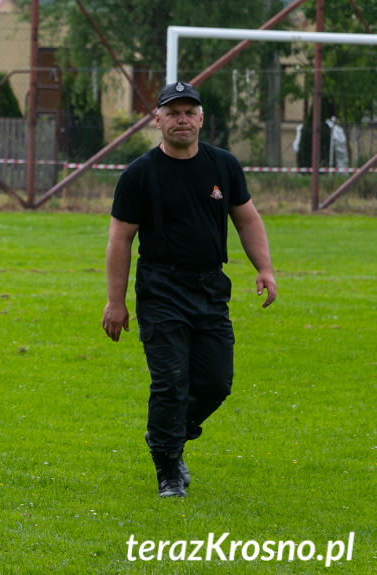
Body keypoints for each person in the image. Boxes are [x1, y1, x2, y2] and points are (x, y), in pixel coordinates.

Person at [101, 81, 277, 497]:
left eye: (189, 112)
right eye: (173, 112)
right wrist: (115, 301)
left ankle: (171, 435)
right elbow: (119, 239)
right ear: (157, 119)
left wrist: (265, 268)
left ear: (201, 118)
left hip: (211, 287)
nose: (182, 119)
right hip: (161, 288)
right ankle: (168, 470)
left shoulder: (224, 166)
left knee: (217, 382)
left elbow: (247, 219)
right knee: (170, 382)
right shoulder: (139, 174)